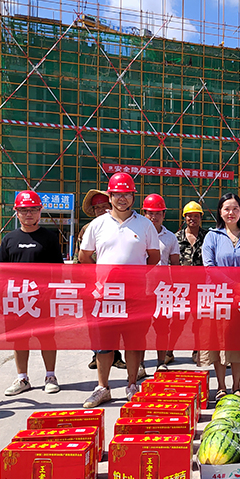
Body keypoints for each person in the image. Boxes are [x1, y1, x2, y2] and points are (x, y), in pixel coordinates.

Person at [79, 173, 160, 408]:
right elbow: (84, 256)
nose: (122, 198)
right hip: (106, 294)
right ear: (110, 196)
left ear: (133, 196)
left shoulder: (145, 225)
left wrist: (133, 277)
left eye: (127, 194)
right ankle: (102, 387)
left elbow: (153, 257)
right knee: (104, 344)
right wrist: (104, 276)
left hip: (136, 294)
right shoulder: (98, 224)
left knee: (134, 342)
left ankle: (132, 385)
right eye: (117, 194)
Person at [0, 190, 64, 396]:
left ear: (40, 212)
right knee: (20, 339)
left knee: (47, 338)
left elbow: (59, 270)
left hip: (43, 298)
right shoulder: (9, 239)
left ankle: (50, 376)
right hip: (17, 298)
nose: (29, 214)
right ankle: (22, 378)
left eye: (33, 210)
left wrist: (54, 295)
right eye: (24, 210)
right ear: (16, 212)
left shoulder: (49, 238)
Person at [201, 193, 240, 400]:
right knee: (218, 341)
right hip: (218, 296)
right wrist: (233, 285)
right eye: (227, 209)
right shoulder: (212, 236)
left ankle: (237, 386)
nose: (231, 213)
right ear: (220, 212)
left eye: (235, 209)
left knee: (238, 341)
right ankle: (221, 386)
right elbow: (209, 267)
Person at [78, 189, 127, 373]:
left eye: (104, 206)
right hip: (95, 285)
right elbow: (80, 258)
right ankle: (96, 355)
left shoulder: (123, 227)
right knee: (96, 324)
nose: (100, 210)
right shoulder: (88, 229)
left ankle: (117, 356)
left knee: (118, 322)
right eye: (97, 208)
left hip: (119, 284)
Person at [141, 193, 180, 370]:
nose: (154, 217)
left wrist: (175, 289)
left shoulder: (170, 237)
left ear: (164, 214)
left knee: (162, 329)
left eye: (158, 213)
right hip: (141, 289)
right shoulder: (137, 234)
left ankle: (161, 363)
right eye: (150, 213)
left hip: (163, 291)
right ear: (144, 214)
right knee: (140, 330)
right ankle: (139, 364)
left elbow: (175, 264)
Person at [177, 200, 208, 363]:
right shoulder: (176, 238)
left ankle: (197, 351)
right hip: (180, 288)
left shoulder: (208, 237)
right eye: (189, 216)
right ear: (184, 217)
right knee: (177, 321)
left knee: (199, 322)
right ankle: (168, 351)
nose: (192, 219)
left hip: (202, 288)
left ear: (201, 217)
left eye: (196, 216)